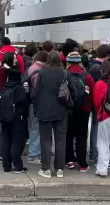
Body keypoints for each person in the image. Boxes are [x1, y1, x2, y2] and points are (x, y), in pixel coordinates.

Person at [33, 50, 77, 178]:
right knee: (60, 140)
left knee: (46, 140)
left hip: (44, 110)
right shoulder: (64, 73)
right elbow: (73, 91)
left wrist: (36, 107)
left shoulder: (42, 73)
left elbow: (36, 93)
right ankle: (59, 169)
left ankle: (46, 168)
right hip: (62, 110)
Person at [0, 52, 28, 174]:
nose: (16, 60)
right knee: (16, 139)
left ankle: (6, 164)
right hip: (15, 113)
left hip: (4, 111)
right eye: (15, 58)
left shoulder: (2, 77)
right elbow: (22, 101)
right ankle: (17, 164)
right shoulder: (17, 84)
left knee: (5, 138)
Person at [65, 51, 92, 172]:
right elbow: (92, 90)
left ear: (68, 62)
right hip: (83, 109)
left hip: (69, 108)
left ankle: (69, 160)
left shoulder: (65, 74)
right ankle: (82, 164)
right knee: (81, 137)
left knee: (68, 135)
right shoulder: (86, 75)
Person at [88, 44, 110, 165]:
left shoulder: (91, 66)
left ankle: (93, 152)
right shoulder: (99, 68)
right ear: (107, 56)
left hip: (92, 100)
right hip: (100, 101)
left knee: (95, 127)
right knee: (98, 128)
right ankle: (96, 154)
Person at [24, 49, 47, 165]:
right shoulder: (38, 71)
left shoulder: (31, 68)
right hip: (35, 103)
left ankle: (34, 153)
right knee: (35, 129)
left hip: (30, 102)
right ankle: (33, 155)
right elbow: (39, 89)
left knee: (33, 128)